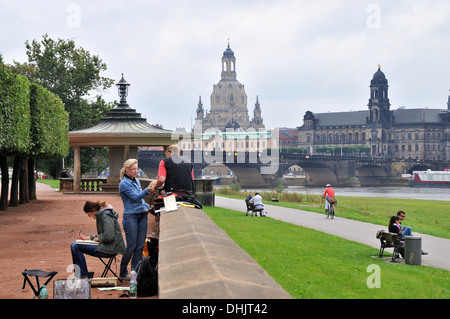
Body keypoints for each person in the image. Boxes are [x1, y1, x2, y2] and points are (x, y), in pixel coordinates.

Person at [70, 200, 125, 278]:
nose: (89, 216)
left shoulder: (105, 216)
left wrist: (98, 238)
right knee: (74, 245)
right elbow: (105, 235)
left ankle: (82, 277)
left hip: (111, 248)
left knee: (75, 246)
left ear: (93, 210)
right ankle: (82, 276)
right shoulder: (102, 215)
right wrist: (87, 238)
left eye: (89, 214)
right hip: (107, 246)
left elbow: (109, 236)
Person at [119, 159, 152, 280]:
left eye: (137, 169)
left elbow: (142, 200)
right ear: (127, 170)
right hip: (131, 216)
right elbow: (136, 197)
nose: (135, 171)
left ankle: (135, 272)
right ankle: (123, 272)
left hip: (142, 215)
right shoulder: (124, 183)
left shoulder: (137, 181)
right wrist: (148, 189)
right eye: (133, 169)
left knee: (139, 247)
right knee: (131, 246)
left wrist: (148, 208)